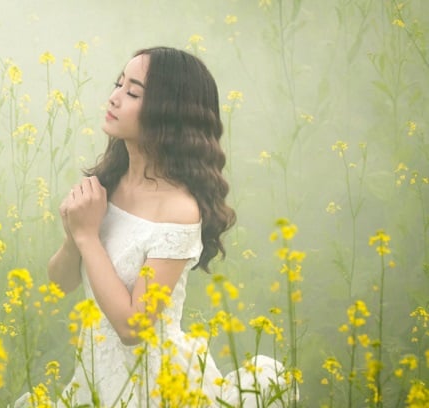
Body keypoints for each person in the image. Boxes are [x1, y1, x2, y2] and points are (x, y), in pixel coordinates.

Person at [20, 47, 292, 407]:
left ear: (169, 113)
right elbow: (62, 282)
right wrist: (75, 234)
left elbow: (133, 328)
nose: (114, 98)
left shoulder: (178, 209)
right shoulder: (109, 184)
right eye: (118, 84)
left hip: (153, 387)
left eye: (132, 92)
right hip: (95, 377)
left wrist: (87, 236)